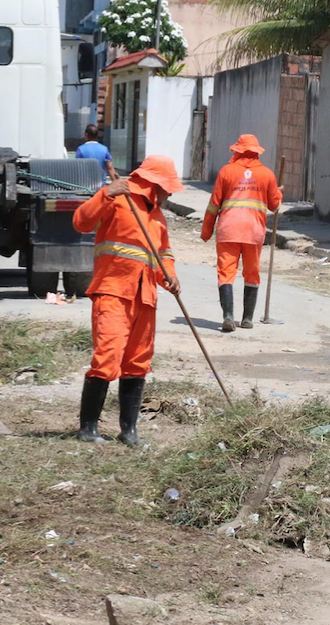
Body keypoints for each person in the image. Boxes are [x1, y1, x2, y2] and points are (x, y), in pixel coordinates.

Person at [71, 155, 183, 446]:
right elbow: (81, 222)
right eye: (168, 187)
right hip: (113, 291)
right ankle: (88, 429)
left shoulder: (156, 215)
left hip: (145, 297)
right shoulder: (118, 199)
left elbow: (163, 254)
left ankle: (129, 431)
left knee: (137, 363)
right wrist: (105, 194)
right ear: (154, 183)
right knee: (107, 358)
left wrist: (169, 275)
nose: (170, 193)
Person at [202, 134, 283, 332]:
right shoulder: (267, 175)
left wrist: (206, 231)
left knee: (226, 273)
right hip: (253, 231)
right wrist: (279, 192)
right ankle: (247, 319)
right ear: (256, 152)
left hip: (228, 229)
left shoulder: (226, 172)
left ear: (238, 151)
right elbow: (275, 205)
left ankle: (228, 317)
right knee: (252, 273)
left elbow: (214, 205)